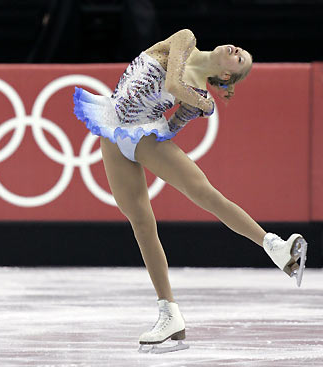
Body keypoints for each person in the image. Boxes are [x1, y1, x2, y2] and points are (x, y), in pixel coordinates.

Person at [73, 29, 308, 353]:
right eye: (240, 49)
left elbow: (170, 128)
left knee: (206, 195)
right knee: (141, 223)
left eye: (240, 58)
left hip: (144, 137)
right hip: (112, 130)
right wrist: (204, 103)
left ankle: (276, 247)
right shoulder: (186, 39)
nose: (237, 48)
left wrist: (195, 109)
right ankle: (169, 313)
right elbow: (172, 84)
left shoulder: (197, 91)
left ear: (227, 74)